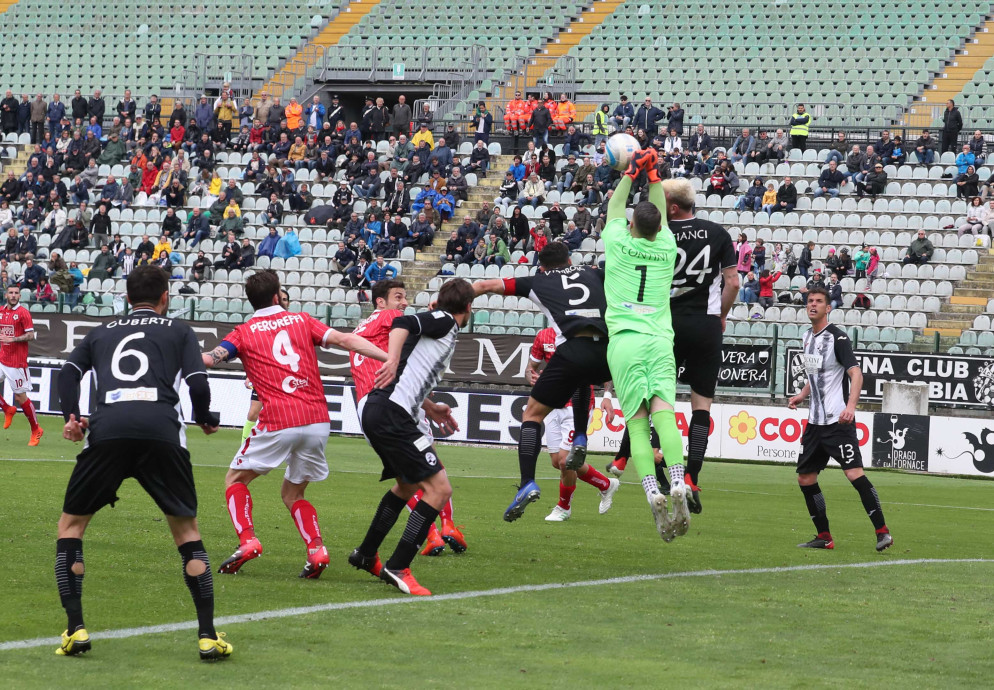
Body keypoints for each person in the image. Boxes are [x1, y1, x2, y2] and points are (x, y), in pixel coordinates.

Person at [54, 265, 231, 660]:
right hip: (161, 430)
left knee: (71, 526)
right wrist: (204, 417)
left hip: (108, 429)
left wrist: (72, 417)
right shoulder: (179, 330)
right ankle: (207, 635)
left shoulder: (100, 331)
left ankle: (76, 629)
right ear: (165, 297)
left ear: (126, 297)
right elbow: (198, 383)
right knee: (186, 532)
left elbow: (67, 374)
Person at [202, 270, 386, 579]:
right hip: (317, 421)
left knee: (235, 479)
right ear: (277, 296)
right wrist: (389, 358)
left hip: (278, 419)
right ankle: (317, 550)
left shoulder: (243, 332)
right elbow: (346, 340)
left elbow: (210, 358)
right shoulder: (302, 320)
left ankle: (248, 541)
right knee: (293, 493)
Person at [603, 178, 737, 511]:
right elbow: (733, 282)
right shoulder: (699, 236)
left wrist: (637, 174)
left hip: (651, 329)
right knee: (692, 408)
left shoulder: (640, 238)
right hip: (694, 327)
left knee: (640, 412)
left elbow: (616, 210)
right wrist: (721, 316)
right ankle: (687, 477)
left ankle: (634, 469)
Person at [349, 278, 475, 596]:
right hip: (391, 413)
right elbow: (403, 322)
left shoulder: (439, 324)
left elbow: (411, 368)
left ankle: (366, 553)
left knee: (407, 485)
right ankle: (398, 566)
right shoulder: (445, 320)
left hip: (382, 409)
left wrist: (430, 407)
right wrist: (391, 359)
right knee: (439, 488)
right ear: (468, 307)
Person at [472, 242, 613, 522]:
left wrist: (452, 301)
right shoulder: (595, 273)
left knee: (531, 414)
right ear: (570, 260)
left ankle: (527, 482)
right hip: (608, 351)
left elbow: (485, 285)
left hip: (573, 347)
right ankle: (582, 437)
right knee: (581, 379)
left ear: (542, 267)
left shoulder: (537, 280)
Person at [598, 147, 691, 540]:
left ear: (632, 224)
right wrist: (653, 176)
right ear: (659, 226)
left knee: (636, 425)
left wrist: (630, 172)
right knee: (664, 415)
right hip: (658, 341)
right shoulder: (667, 246)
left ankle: (652, 490)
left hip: (624, 342)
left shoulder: (618, 241)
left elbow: (613, 209)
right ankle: (678, 480)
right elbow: (659, 215)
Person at [788, 286, 892, 552]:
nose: (813, 305)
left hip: (838, 421)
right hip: (815, 423)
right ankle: (824, 536)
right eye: (810, 301)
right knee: (805, 479)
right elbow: (815, 375)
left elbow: (856, 374)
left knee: (854, 473)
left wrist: (851, 407)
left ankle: (882, 532)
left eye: (818, 301)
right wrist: (801, 395)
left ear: (828, 308)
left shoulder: (838, 338)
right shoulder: (806, 337)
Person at [525, 327, 620, 522]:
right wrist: (531, 377)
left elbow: (605, 365)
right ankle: (605, 484)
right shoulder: (544, 335)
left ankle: (564, 507)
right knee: (557, 461)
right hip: (551, 404)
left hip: (577, 405)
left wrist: (607, 396)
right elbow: (529, 368)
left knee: (565, 461)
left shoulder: (583, 331)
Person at [1, 285, 42, 445]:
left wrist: (13, 339)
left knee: (20, 397)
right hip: (2, 358)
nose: (13, 295)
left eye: (16, 293)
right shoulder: (1, 311)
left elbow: (31, 335)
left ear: (19, 296)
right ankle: (7, 409)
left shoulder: (23, 313)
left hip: (16, 363)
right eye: (11, 293)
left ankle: (36, 429)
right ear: (6, 295)